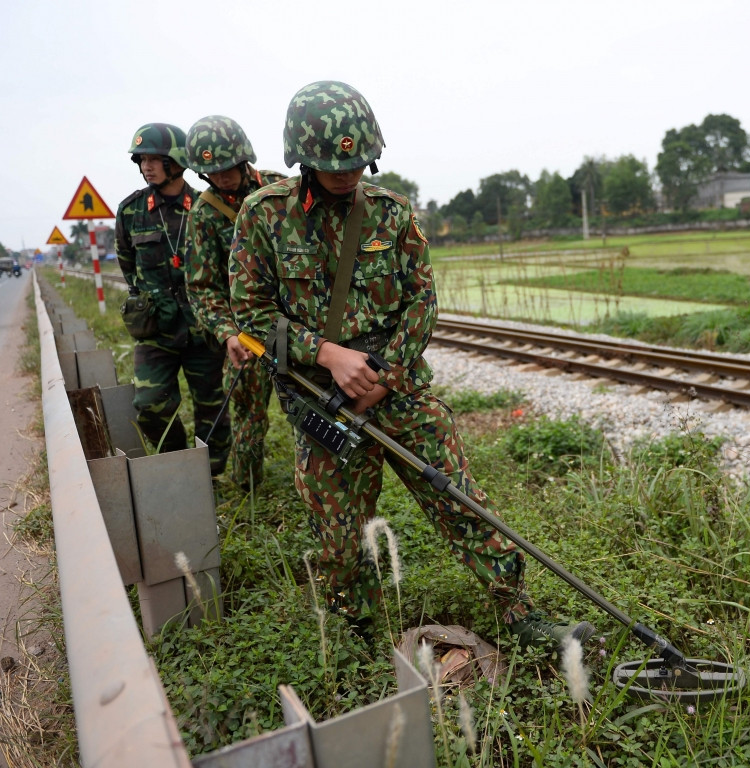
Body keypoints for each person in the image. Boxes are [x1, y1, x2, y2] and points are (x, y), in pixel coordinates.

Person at [229, 81, 594, 648]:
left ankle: (521, 617)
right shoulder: (263, 216)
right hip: (320, 401)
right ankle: (358, 641)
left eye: (357, 163)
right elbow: (249, 315)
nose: (347, 175)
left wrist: (384, 379)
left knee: (463, 504)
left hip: (398, 391)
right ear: (302, 160)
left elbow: (423, 303)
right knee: (339, 539)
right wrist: (327, 355)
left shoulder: (392, 215)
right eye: (333, 166)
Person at [115, 122, 231, 475]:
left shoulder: (206, 208)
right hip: (157, 332)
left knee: (211, 408)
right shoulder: (132, 211)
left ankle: (209, 475)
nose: (146, 166)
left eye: (155, 159)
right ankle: (180, 463)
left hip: (203, 329)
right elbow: (127, 265)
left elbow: (228, 268)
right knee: (149, 404)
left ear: (177, 162)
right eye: (142, 160)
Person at [184, 115, 285, 490]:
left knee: (315, 407)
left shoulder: (281, 188)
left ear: (244, 159)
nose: (222, 178)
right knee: (247, 411)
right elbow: (202, 286)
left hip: (297, 324)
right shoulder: (204, 213)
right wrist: (228, 334)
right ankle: (249, 490)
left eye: (228, 168)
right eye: (213, 172)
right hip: (250, 333)